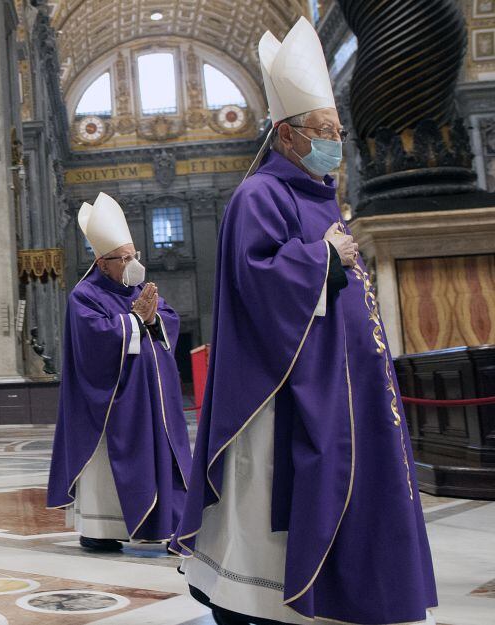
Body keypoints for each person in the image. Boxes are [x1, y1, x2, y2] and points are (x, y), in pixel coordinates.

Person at [169, 17, 436, 625]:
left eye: (338, 130)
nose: (335, 142)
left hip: (340, 378)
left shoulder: (320, 195)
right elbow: (257, 277)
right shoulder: (258, 195)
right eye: (324, 131)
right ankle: (260, 598)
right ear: (287, 136)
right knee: (270, 499)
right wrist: (323, 260)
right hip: (282, 389)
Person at [46, 192, 191, 552]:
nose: (131, 263)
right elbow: (94, 342)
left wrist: (153, 317)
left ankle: (165, 522)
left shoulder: (139, 288)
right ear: (102, 261)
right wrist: (134, 321)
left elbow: (169, 319)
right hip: (112, 405)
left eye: (134, 256)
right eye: (123, 258)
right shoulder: (85, 295)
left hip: (152, 402)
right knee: (110, 469)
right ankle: (102, 529)